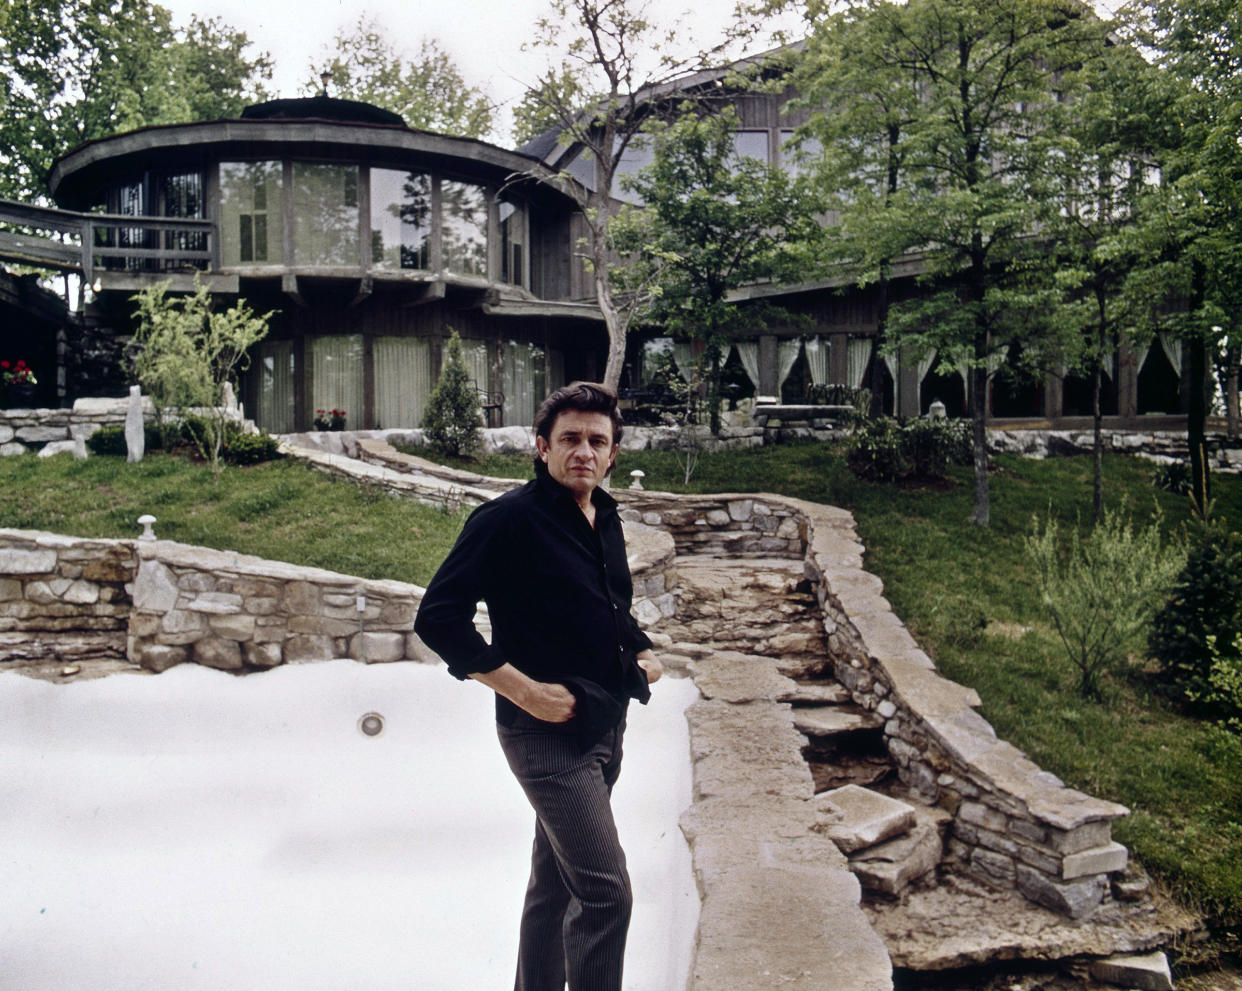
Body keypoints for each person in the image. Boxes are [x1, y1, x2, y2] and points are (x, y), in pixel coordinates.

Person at [413, 381, 663, 991]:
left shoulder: (604, 517)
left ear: (613, 455)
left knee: (553, 889)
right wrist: (524, 691)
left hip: (605, 725)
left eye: (596, 441)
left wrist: (642, 648)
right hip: (545, 736)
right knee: (606, 895)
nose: (583, 451)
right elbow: (438, 617)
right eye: (570, 438)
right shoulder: (507, 520)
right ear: (541, 448)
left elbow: (609, 606)